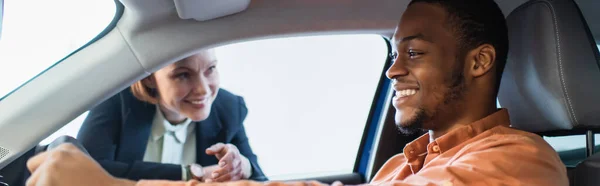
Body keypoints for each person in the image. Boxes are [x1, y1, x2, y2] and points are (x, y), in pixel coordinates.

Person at [25, 0, 569, 185]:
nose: (392, 71)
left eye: (414, 53)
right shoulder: (404, 165)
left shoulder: (522, 161)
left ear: (478, 62)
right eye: (393, 52)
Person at [75, 49, 266, 182]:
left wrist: (243, 167)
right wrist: (188, 174)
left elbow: (260, 180)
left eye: (211, 69)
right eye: (183, 75)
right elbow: (84, 170)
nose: (203, 90)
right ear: (149, 77)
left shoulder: (228, 108)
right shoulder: (117, 101)